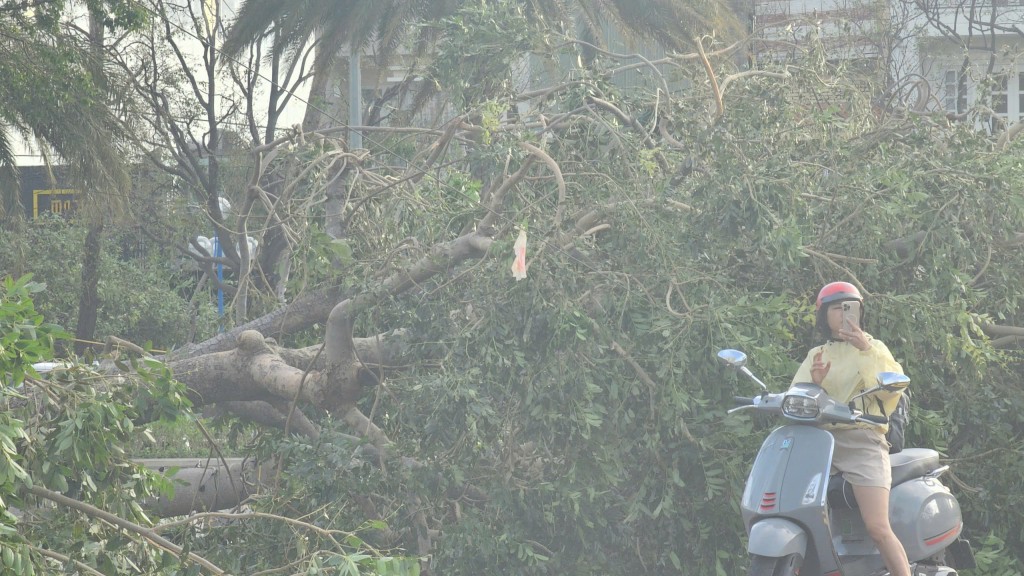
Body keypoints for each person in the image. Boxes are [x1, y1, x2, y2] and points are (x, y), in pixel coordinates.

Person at [792, 281, 911, 576]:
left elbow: (891, 389)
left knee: (878, 528)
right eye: (835, 308)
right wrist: (815, 383)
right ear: (824, 316)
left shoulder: (874, 348)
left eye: (849, 308)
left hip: (862, 440)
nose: (843, 314)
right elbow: (797, 397)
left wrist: (865, 349)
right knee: (800, 519)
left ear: (859, 312)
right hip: (820, 443)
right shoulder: (817, 354)